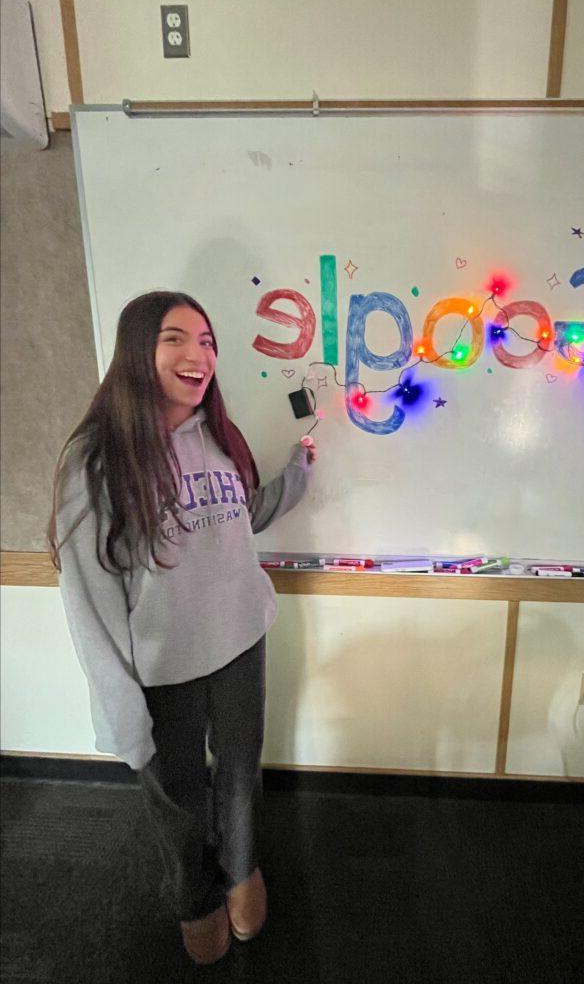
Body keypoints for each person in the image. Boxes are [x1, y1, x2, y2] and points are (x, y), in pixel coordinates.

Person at [47, 290, 316, 965]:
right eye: (177, 338)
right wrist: (118, 706)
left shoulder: (219, 437)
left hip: (240, 640)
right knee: (176, 797)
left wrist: (301, 471)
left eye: (208, 340)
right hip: (161, 665)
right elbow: (88, 597)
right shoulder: (95, 462)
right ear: (139, 349)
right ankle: (192, 896)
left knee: (237, 777)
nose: (199, 355)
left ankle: (241, 869)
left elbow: (242, 515)